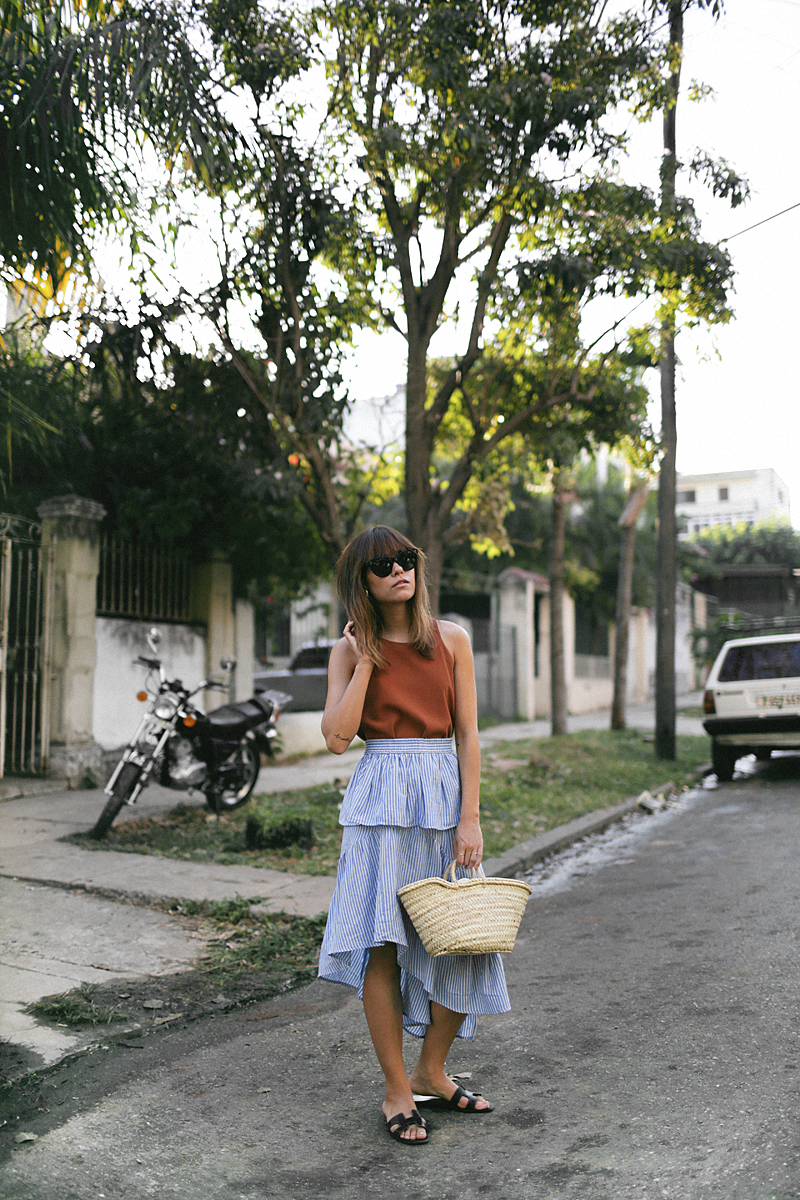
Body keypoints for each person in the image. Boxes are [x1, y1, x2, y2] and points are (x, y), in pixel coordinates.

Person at [318, 525, 510, 1145]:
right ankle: (398, 1090)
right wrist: (369, 662)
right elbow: (337, 736)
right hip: (381, 795)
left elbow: (469, 735)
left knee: (465, 937)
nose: (399, 570)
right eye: (383, 565)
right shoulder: (350, 651)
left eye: (406, 559)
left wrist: (471, 816)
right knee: (382, 942)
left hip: (443, 791)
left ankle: (433, 1068)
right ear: (363, 583)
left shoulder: (452, 639)